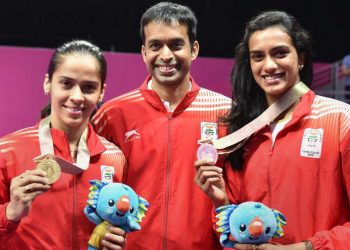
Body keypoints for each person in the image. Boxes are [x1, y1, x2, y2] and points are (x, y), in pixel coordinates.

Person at [194, 10, 350, 250]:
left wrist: (306, 248)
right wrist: (221, 201)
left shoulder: (339, 120)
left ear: (301, 58)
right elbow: (232, 232)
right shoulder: (241, 133)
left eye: (280, 53)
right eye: (258, 57)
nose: (269, 65)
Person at [92, 2, 231, 250]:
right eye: (156, 46)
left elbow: (240, 190)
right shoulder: (113, 113)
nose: (166, 55)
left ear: (194, 49)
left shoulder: (226, 113)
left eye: (176, 45)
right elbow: (90, 188)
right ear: (144, 52)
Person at [0, 40, 127, 249]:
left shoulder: (114, 157)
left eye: (88, 87)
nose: (77, 97)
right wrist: (11, 212)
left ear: (101, 92)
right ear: (47, 83)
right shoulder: (7, 151)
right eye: (66, 84)